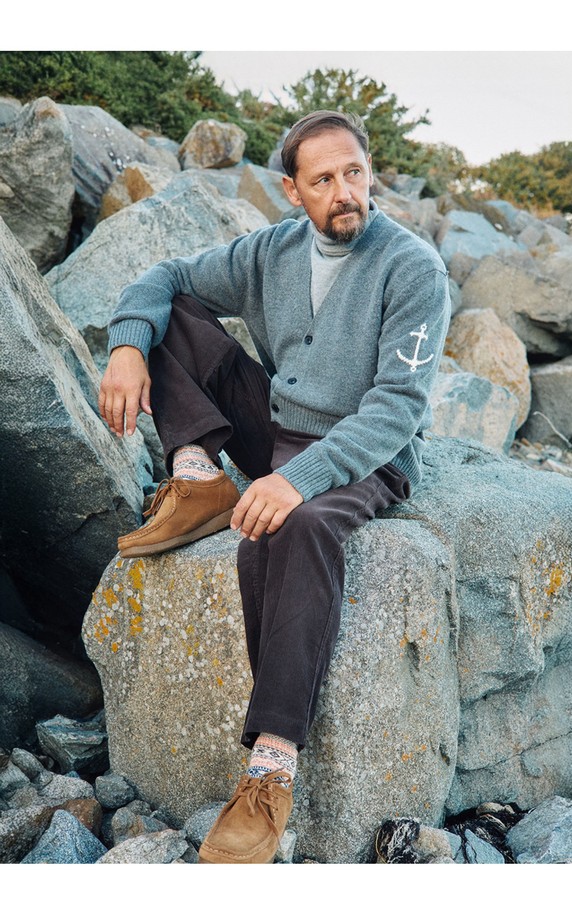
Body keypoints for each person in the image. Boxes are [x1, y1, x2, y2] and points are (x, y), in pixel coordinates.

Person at [98, 109, 451, 864]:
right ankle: (196, 475)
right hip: (281, 428)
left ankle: (271, 766)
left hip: (371, 453)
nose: (345, 192)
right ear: (292, 191)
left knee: (294, 528)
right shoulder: (271, 250)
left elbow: (398, 408)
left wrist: (295, 481)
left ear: (369, 172)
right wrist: (126, 345)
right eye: (323, 180)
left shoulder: (413, 268)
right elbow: (166, 277)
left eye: (354, 172)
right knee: (171, 316)